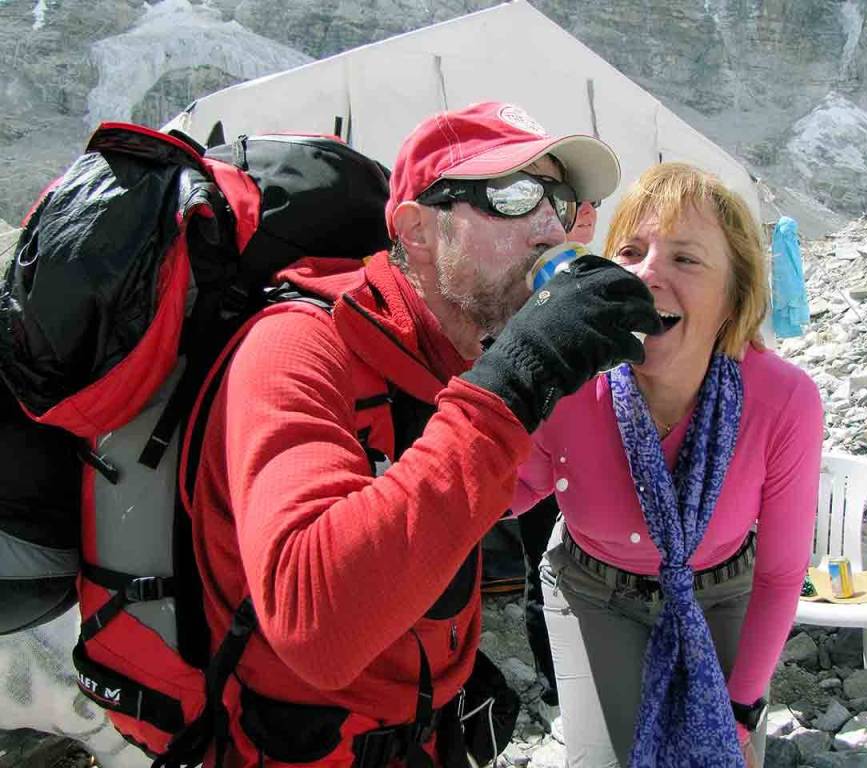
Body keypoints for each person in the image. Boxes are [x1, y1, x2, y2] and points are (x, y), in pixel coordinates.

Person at [186, 101, 661, 768]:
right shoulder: (298, 347)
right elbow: (314, 624)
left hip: (425, 730)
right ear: (417, 230)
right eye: (514, 195)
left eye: (559, 201)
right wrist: (516, 381)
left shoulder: (457, 355)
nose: (552, 228)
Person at [512, 163, 824, 767]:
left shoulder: (783, 401)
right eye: (630, 252)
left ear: (734, 295)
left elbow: (782, 574)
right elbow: (505, 494)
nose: (647, 273)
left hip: (722, 593)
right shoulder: (571, 379)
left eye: (686, 258)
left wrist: (741, 707)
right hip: (592, 593)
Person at [517, 198, 601, 716]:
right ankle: (557, 688)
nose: (586, 213)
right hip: (537, 446)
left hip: (584, 448)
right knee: (543, 565)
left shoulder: (590, 271)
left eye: (591, 205)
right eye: (577, 205)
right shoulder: (524, 276)